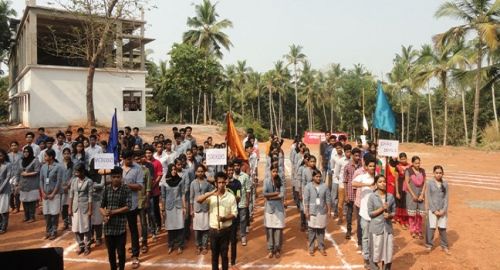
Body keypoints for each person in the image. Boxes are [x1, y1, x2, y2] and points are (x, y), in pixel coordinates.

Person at [197, 171, 237, 270]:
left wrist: (224, 218)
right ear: (215, 183)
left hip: (225, 230)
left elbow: (234, 213)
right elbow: (199, 200)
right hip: (213, 230)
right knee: (214, 256)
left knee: (224, 256)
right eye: (219, 182)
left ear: (226, 183)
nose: (221, 185)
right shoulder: (211, 195)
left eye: (223, 182)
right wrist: (211, 193)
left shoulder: (231, 196)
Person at [100, 166, 131, 270]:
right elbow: (101, 206)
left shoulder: (126, 189)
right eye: (114, 177)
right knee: (111, 253)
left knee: (121, 253)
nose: (116, 179)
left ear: (121, 177)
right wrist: (104, 214)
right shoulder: (106, 189)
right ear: (110, 177)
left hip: (120, 227)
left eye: (118, 177)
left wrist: (113, 212)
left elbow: (128, 206)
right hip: (108, 227)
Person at [352, 156, 376, 269]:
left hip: (376, 214)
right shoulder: (362, 177)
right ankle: (366, 258)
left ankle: (374, 257)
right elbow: (353, 183)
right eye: (370, 166)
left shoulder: (378, 178)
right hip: (364, 213)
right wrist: (367, 185)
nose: (372, 168)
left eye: (373, 166)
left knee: (375, 237)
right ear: (366, 167)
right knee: (365, 237)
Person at [121, 150, 144, 268]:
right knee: (121, 231)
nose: (130, 161)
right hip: (119, 205)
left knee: (133, 229)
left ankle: (135, 256)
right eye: (128, 159)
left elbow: (140, 186)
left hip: (132, 204)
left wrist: (125, 184)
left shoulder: (138, 168)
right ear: (123, 158)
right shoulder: (117, 168)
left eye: (131, 158)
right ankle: (121, 255)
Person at [368, 175, 395, 270]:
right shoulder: (372, 197)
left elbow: (394, 212)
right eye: (380, 182)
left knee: (387, 253)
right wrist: (381, 209)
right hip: (376, 229)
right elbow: (370, 213)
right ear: (376, 184)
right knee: (375, 252)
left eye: (384, 181)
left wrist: (390, 215)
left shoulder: (390, 197)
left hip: (387, 228)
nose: (383, 183)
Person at [304, 169, 332, 256]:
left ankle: (321, 247)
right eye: (317, 176)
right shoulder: (308, 187)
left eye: (320, 176)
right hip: (312, 211)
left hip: (322, 211)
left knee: (321, 230)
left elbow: (328, 199)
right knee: (311, 230)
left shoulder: (325, 186)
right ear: (313, 177)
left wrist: (329, 210)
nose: (319, 178)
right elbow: (306, 200)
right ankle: (311, 247)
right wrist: (306, 211)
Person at [161, 163, 186, 255]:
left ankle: (180, 245)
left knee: (180, 226)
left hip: (178, 206)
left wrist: (184, 207)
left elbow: (182, 194)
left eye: (175, 169)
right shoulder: (164, 183)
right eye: (172, 170)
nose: (174, 171)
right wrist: (163, 209)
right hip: (169, 207)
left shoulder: (180, 180)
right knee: (170, 227)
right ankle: (171, 245)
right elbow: (163, 197)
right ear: (169, 171)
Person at [69, 164, 93, 255]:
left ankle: (87, 246)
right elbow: (71, 195)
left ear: (83, 171)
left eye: (78, 172)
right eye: (75, 171)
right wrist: (69, 208)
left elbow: (90, 196)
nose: (76, 173)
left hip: (84, 207)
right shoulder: (74, 181)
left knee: (86, 227)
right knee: (76, 227)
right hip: (75, 207)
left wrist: (90, 209)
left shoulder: (89, 181)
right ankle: (81, 245)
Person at [425, 165, 450, 254]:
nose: (438, 174)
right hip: (433, 210)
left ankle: (444, 245)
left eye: (440, 173)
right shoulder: (430, 183)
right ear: (434, 173)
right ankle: (429, 245)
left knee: (442, 228)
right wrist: (434, 210)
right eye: (437, 173)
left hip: (442, 209)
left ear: (442, 173)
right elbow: (429, 197)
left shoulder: (445, 184)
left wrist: (444, 210)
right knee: (431, 228)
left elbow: (446, 198)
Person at [40, 149, 63, 240]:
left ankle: (54, 231)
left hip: (55, 194)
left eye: (46, 156)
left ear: (51, 157)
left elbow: (59, 181)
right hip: (45, 194)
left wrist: (53, 193)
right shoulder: (43, 167)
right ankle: (48, 230)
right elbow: (41, 180)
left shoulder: (58, 167)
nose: (44, 157)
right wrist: (42, 192)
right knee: (46, 213)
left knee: (54, 213)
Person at [190, 164, 214, 255]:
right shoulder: (193, 183)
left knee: (205, 228)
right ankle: (198, 246)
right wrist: (191, 209)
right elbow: (191, 198)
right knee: (196, 229)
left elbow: (211, 193)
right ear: (196, 172)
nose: (200, 173)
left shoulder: (207, 183)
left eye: (202, 171)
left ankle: (204, 246)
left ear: (204, 172)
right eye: (198, 171)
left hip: (205, 208)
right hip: (196, 208)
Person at [263, 165, 285, 258]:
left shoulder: (281, 181)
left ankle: (277, 249)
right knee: (269, 229)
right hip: (269, 209)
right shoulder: (266, 181)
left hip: (279, 209)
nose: (275, 173)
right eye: (273, 171)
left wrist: (270, 197)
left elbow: (282, 194)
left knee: (278, 229)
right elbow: (264, 194)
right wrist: (276, 194)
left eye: (276, 171)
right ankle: (270, 249)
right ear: (270, 172)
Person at [18, 146, 41, 223]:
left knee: (31, 201)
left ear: (30, 152)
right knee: (24, 200)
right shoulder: (21, 160)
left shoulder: (35, 160)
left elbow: (37, 171)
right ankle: (26, 216)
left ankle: (32, 216)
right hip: (23, 184)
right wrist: (17, 183)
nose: (25, 153)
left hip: (32, 184)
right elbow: (19, 172)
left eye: (27, 151)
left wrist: (27, 174)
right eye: (24, 152)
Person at [343, 147, 362, 239]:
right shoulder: (347, 166)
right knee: (349, 213)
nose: (358, 157)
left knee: (359, 214)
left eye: (359, 155)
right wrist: (346, 195)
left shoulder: (362, 166)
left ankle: (360, 231)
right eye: (356, 155)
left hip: (359, 193)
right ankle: (349, 230)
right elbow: (345, 181)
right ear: (352, 155)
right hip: (350, 193)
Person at [405, 156, 426, 240]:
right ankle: (413, 230)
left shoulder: (422, 170)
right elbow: (407, 183)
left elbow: (424, 183)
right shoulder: (408, 171)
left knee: (420, 214)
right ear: (412, 163)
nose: (418, 164)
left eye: (419, 163)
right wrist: (413, 195)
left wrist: (422, 194)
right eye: (416, 163)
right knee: (412, 214)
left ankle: (419, 230)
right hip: (411, 195)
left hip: (420, 194)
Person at [135, 151, 151, 254]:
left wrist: (146, 201)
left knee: (143, 223)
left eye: (138, 158)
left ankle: (144, 243)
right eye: (135, 158)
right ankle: (135, 244)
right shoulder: (131, 171)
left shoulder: (146, 171)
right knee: (133, 224)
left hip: (142, 200)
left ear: (142, 159)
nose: (137, 160)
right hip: (132, 201)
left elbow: (148, 188)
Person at [144, 145, 162, 240]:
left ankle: (158, 225)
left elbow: (159, 175)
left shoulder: (157, 163)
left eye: (150, 153)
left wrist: (153, 185)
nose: (148, 154)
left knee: (154, 210)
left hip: (154, 191)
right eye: (146, 153)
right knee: (146, 212)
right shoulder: (143, 163)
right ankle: (148, 229)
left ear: (152, 153)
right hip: (144, 193)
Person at [233, 159, 251, 246]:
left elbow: (248, 189)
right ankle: (235, 236)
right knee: (234, 220)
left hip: (242, 201)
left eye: (238, 166)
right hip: (232, 203)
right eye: (235, 166)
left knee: (243, 220)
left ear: (240, 167)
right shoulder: (230, 176)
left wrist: (248, 201)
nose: (236, 167)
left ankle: (243, 235)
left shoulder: (245, 176)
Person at [88, 158, 105, 247]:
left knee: (98, 220)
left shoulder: (102, 174)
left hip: (99, 200)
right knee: (89, 220)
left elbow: (102, 185)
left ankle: (98, 237)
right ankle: (90, 237)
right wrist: (94, 185)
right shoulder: (88, 174)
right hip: (89, 201)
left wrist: (92, 185)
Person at [395, 153, 410, 229]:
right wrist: (397, 192)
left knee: (407, 204)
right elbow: (396, 180)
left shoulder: (410, 166)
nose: (403, 160)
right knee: (401, 205)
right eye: (402, 159)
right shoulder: (397, 167)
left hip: (408, 188)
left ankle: (406, 220)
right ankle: (402, 221)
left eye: (404, 158)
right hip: (400, 188)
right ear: (399, 159)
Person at [329, 142, 345, 218]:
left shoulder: (345, 156)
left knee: (342, 196)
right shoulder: (333, 157)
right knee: (334, 196)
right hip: (335, 179)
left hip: (343, 180)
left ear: (342, 148)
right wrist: (335, 174)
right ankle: (335, 211)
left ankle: (342, 211)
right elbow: (332, 167)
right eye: (337, 148)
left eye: (340, 147)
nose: (339, 149)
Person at [60, 147, 74, 231]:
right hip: (61, 188)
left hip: (70, 188)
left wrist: (68, 185)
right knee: (63, 206)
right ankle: (65, 222)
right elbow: (58, 176)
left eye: (68, 153)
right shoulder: (59, 164)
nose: (66, 155)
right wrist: (62, 186)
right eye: (65, 153)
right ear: (62, 155)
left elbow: (74, 175)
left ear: (70, 154)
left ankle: (71, 222)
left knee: (70, 204)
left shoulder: (73, 164)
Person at [8, 141, 22, 213]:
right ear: (10, 147)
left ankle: (17, 207)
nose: (14, 147)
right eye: (12, 145)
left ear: (18, 146)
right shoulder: (8, 155)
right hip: (9, 176)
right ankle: (12, 206)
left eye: (15, 145)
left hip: (18, 176)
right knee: (10, 192)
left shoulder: (21, 155)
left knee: (17, 193)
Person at [0, 149, 12, 234]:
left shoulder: (8, 165)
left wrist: (1, 188)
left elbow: (7, 178)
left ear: (4, 156)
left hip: (4, 190)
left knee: (3, 209)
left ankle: (4, 226)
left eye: (1, 155)